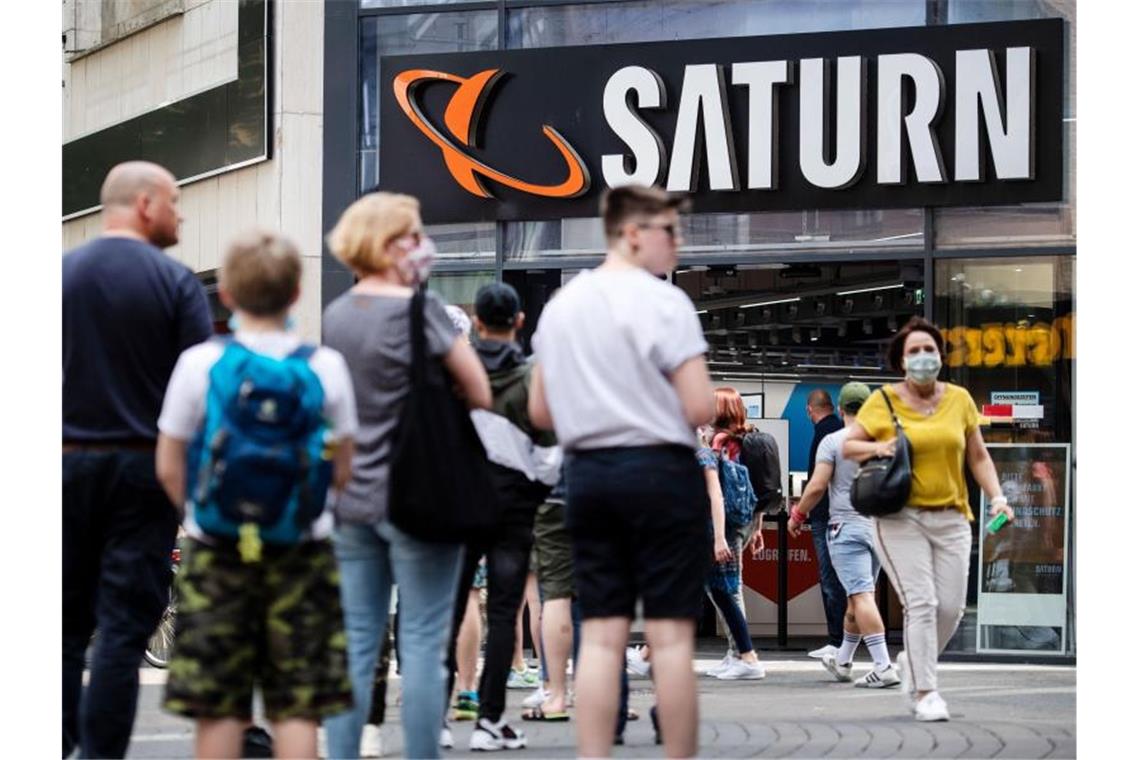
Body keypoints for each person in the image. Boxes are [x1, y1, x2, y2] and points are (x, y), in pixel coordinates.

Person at [528, 184, 715, 758]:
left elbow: (539, 411)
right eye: (669, 231)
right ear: (633, 233)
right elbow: (701, 407)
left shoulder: (562, 308)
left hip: (589, 475)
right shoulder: (666, 304)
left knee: (604, 634)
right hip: (661, 471)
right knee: (671, 635)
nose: (677, 243)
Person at [155, 230, 357, 757]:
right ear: (295, 294)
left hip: (217, 548)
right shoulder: (325, 367)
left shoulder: (199, 364)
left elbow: (169, 463)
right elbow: (343, 467)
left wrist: (199, 514)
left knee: (219, 706)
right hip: (302, 550)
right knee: (296, 707)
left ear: (227, 296)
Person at [322, 192, 493, 759]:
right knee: (421, 640)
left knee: (358, 640)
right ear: (390, 243)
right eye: (413, 235)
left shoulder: (337, 315)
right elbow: (479, 390)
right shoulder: (420, 312)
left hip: (352, 498)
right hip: (420, 491)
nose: (423, 246)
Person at [63, 161, 213, 758]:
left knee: (63, 629)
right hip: (144, 472)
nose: (181, 214)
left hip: (64, 466)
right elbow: (202, 389)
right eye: (176, 201)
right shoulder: (176, 285)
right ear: (146, 203)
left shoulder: (59, 277)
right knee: (125, 630)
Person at [843, 317, 1015, 722]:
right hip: (899, 519)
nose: (924, 357)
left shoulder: (959, 399)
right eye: (914, 352)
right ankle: (925, 692)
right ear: (902, 361)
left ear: (941, 355)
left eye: (930, 350)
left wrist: (997, 497)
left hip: (954, 517)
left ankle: (914, 663)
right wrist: (879, 447)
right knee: (921, 603)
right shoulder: (883, 400)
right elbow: (848, 445)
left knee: (951, 608)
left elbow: (977, 455)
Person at [450, 281, 560, 751]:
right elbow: (551, 457)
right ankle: (490, 721)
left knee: (449, 609)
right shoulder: (534, 378)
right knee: (502, 614)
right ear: (518, 322)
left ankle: (435, 715)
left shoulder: (456, 373)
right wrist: (531, 494)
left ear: (477, 323)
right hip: (514, 512)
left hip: (459, 508)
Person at [789, 382, 900, 688]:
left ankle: (883, 665)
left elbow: (817, 485)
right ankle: (843, 660)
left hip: (846, 528)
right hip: (878, 529)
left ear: (840, 409)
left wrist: (798, 515)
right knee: (859, 595)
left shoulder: (833, 440)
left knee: (860, 596)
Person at [697, 389, 766, 681]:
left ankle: (742, 654)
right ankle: (736, 652)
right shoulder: (749, 437)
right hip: (744, 518)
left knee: (727, 588)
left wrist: (719, 535)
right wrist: (758, 526)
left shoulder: (720, 442)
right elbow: (755, 488)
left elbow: (717, 488)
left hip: (724, 522)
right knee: (727, 586)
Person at [803, 389, 846, 659]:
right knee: (847, 581)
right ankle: (844, 641)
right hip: (844, 515)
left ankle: (837, 641)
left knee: (830, 580)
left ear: (810, 410)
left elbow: (817, 483)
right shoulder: (840, 431)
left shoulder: (824, 436)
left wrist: (799, 513)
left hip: (825, 516)